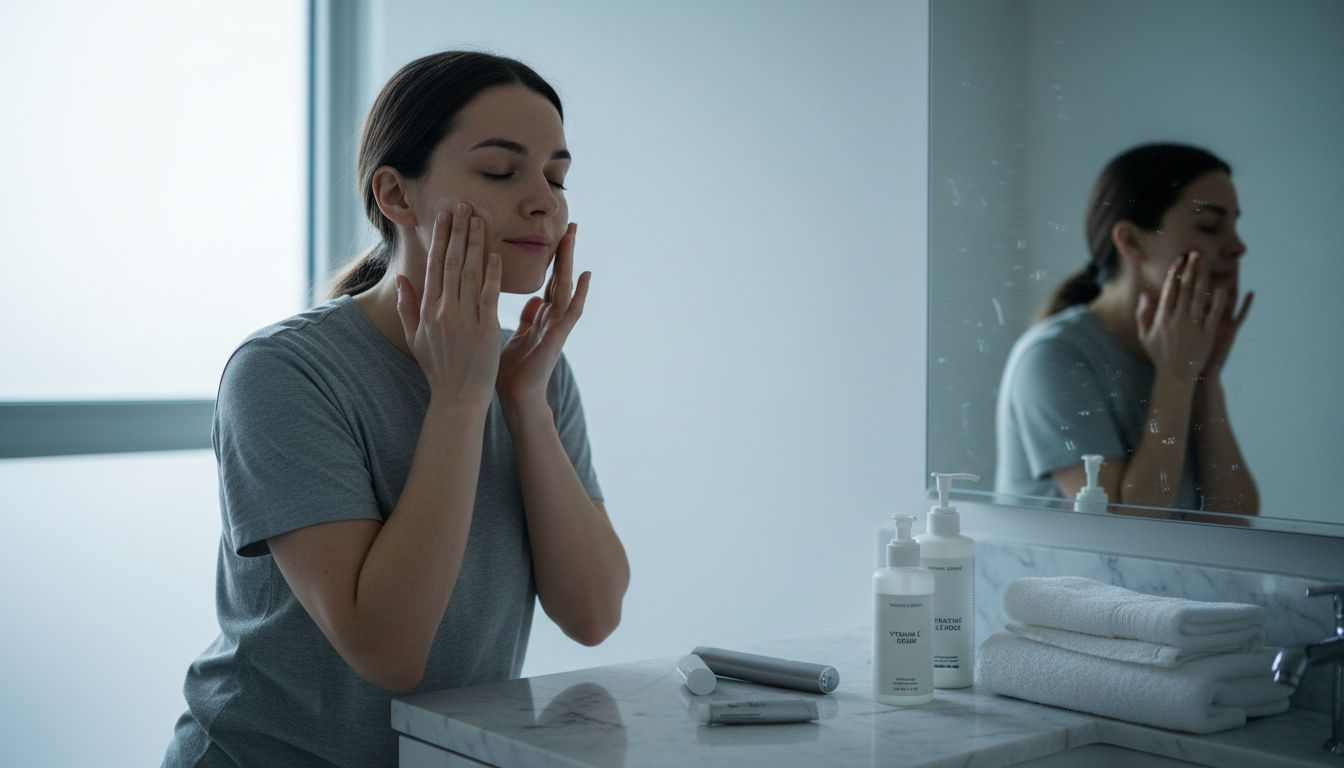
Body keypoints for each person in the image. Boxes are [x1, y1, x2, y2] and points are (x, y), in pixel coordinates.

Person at [162, 51, 630, 768]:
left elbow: (593, 614)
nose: (545, 200)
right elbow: (387, 650)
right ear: (396, 195)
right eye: (502, 172)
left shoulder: (532, 371)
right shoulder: (284, 373)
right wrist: (459, 397)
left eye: (556, 175)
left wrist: (524, 401)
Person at [995, 143, 1259, 517]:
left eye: (1235, 226)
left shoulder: (1180, 352)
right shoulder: (1052, 358)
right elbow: (1124, 530)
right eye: (1210, 226)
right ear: (1131, 241)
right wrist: (1177, 376)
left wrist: (1206, 374)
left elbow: (1234, 522)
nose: (1237, 247)